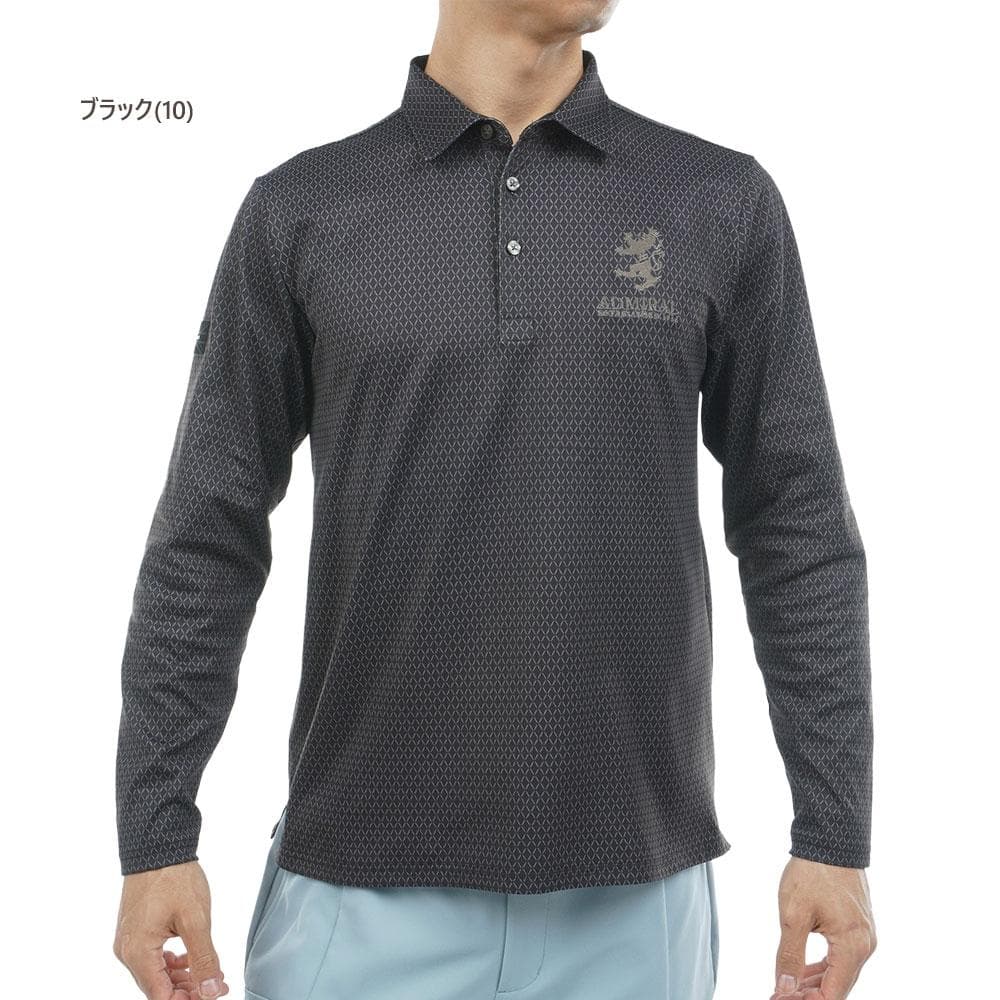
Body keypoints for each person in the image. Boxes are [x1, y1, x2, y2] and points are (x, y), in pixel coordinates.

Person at [111, 2, 878, 998]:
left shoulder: (716, 199)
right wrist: (156, 836)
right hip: (361, 890)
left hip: (636, 900)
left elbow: (798, 528)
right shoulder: (303, 209)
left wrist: (833, 833)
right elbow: (204, 536)